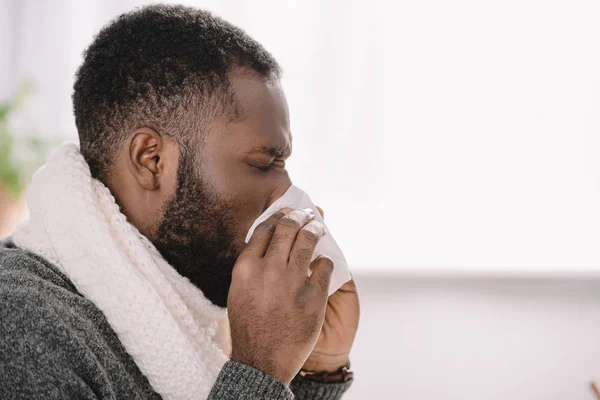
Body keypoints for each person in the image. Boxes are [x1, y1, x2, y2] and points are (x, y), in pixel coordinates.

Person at [0, 4, 359, 400]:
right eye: (262, 164)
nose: (286, 194)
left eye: (283, 165)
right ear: (151, 160)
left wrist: (316, 368)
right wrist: (259, 368)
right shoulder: (19, 324)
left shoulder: (183, 311)